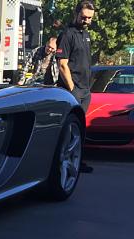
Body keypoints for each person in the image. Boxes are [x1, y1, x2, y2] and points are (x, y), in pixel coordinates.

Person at [56, 0, 95, 173]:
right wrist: (72, 89)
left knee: (78, 130)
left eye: (90, 18)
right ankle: (59, 164)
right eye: (84, 17)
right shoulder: (67, 34)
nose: (86, 21)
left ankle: (77, 162)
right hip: (72, 90)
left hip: (85, 90)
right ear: (76, 13)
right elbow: (63, 64)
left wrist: (86, 89)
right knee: (67, 130)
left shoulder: (86, 35)